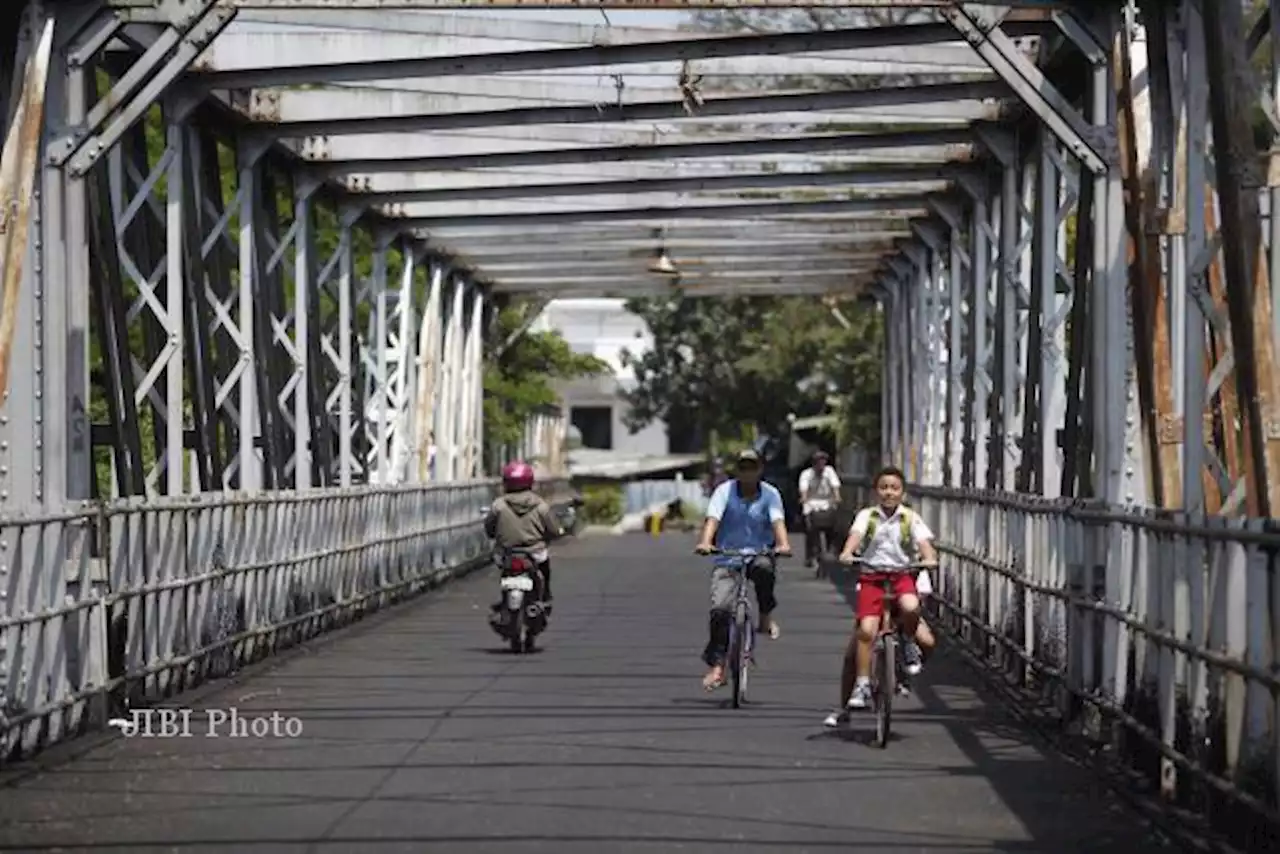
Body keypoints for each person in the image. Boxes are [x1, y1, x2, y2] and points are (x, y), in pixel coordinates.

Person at [823, 465, 938, 728]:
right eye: (884, 487)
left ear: (903, 492)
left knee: (924, 635)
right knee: (863, 636)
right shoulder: (867, 516)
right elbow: (854, 539)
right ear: (876, 491)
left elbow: (925, 547)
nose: (889, 493)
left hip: (901, 578)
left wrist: (930, 559)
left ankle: (906, 650)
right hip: (872, 579)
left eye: (894, 488)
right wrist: (847, 553)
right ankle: (854, 695)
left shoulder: (910, 518)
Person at [694, 448, 794, 691]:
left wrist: (783, 544)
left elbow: (777, 521)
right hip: (728, 556)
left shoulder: (770, 494)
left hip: (758, 553)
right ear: (737, 471)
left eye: (752, 467)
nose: (747, 473)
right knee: (720, 609)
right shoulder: (724, 491)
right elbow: (713, 520)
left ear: (760, 470)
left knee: (765, 571)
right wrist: (706, 542)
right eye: (743, 468)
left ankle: (765, 617)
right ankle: (718, 666)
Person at [484, 460, 564, 604]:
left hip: (506, 552)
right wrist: (554, 534)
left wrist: (493, 535)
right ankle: (545, 594)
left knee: (504, 572)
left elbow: (490, 527)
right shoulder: (540, 505)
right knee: (545, 569)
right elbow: (552, 529)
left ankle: (504, 600)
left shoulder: (499, 505)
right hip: (534, 552)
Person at [798, 450, 842, 568]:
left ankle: (831, 551)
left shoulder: (829, 471)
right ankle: (810, 556)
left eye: (823, 462)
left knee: (834, 528)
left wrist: (837, 497)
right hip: (812, 503)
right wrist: (804, 498)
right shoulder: (806, 474)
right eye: (818, 462)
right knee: (810, 530)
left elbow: (835, 486)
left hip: (827, 502)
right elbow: (804, 489)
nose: (821, 465)